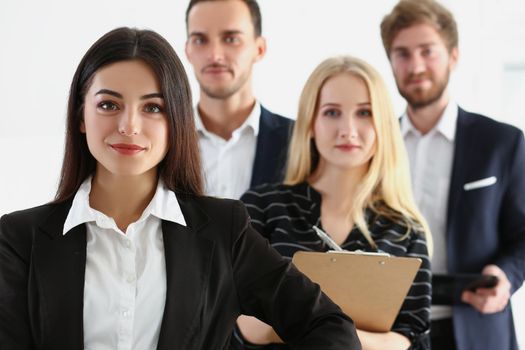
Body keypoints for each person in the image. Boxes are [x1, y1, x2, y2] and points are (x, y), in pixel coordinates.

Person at [0, 27, 362, 350]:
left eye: (153, 108)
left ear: (176, 120)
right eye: (108, 104)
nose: (129, 125)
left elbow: (330, 328)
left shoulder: (225, 230)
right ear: (81, 116)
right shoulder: (19, 240)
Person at [235, 56, 432, 350]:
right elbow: (242, 323)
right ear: (310, 122)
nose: (348, 129)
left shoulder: (405, 229)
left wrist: (312, 327)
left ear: (383, 125)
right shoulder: (260, 207)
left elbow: (409, 340)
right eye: (331, 113)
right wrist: (353, 335)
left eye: (364, 113)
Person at [380, 1, 525, 349]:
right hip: (389, 332)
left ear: (453, 56)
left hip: (476, 329)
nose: (415, 66)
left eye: (427, 51)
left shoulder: (502, 142)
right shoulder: (375, 144)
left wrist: (504, 277)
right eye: (402, 54)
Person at [185, 0, 293, 199]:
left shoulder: (299, 140)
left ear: (259, 49)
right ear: (187, 50)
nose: (215, 55)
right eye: (200, 40)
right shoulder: (162, 139)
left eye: (231, 39)